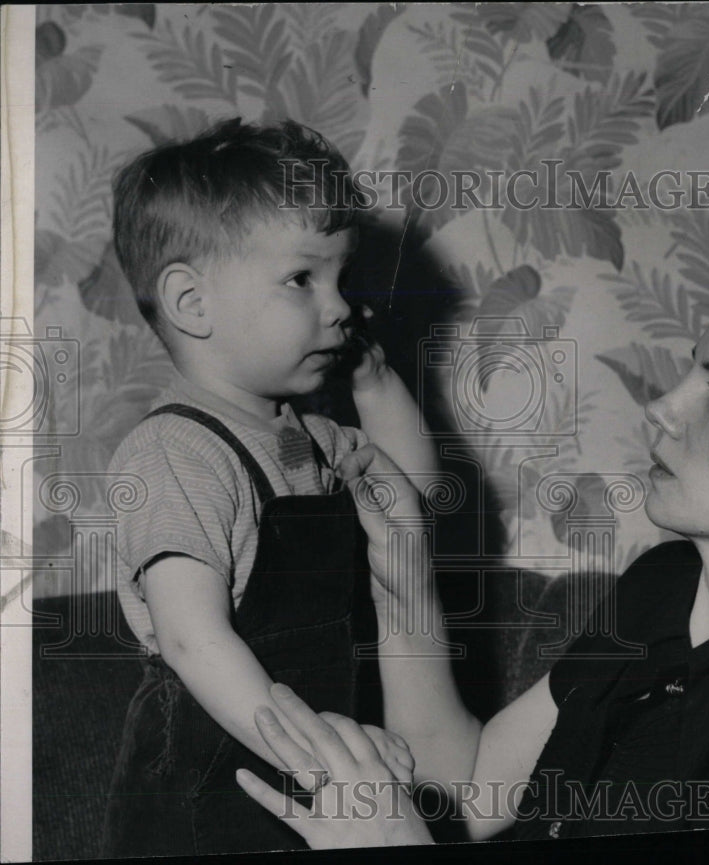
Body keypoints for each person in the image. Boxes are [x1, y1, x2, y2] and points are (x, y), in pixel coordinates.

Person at [236, 218, 709, 846]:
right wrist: (402, 554)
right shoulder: (663, 587)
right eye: (688, 374)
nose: (662, 407)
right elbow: (472, 785)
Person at [100, 118, 430, 857]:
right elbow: (192, 637)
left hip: (304, 768)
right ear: (191, 303)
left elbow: (413, 501)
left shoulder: (302, 435)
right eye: (303, 279)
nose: (341, 305)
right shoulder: (176, 449)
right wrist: (317, 756)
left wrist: (374, 381)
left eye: (343, 279)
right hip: (201, 782)